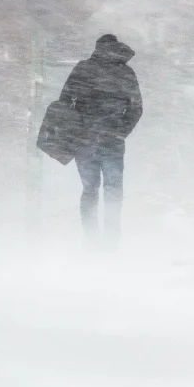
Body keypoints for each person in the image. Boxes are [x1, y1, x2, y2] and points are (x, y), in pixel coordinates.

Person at [58, 34, 143, 248]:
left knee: (90, 189)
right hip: (111, 142)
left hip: (85, 141)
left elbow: (64, 102)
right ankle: (111, 239)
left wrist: (76, 127)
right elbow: (136, 108)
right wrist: (120, 130)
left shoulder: (83, 69)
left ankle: (91, 239)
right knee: (113, 190)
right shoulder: (125, 72)